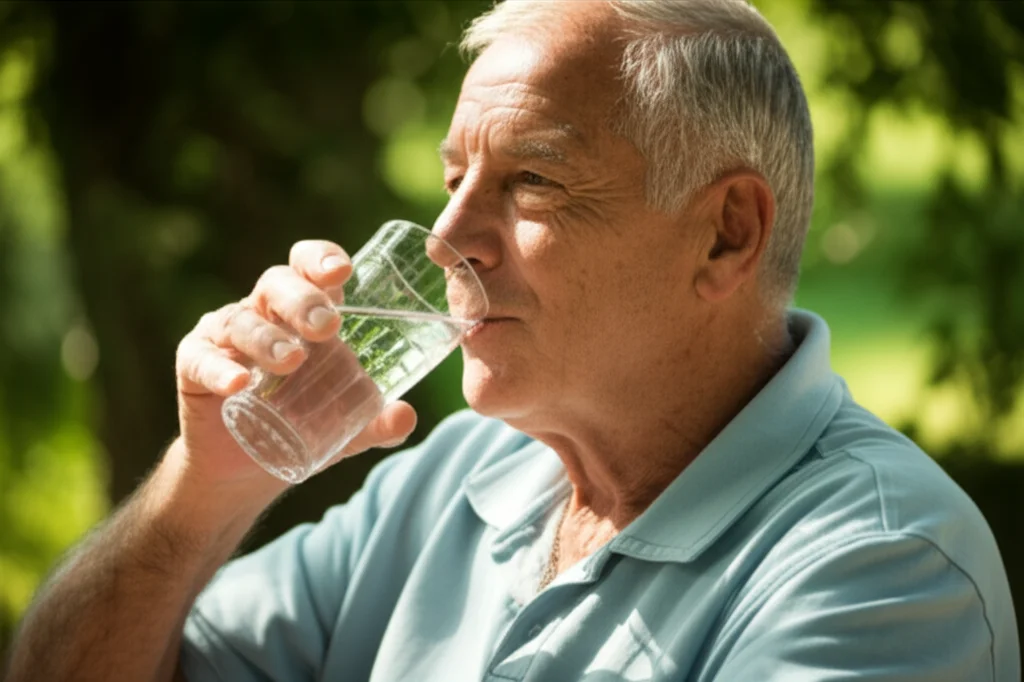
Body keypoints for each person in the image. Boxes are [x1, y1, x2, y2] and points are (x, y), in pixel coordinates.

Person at [7, 0, 1019, 680]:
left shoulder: (881, 566)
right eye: (455, 179)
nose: (446, 237)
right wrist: (204, 488)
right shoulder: (454, 476)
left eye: (531, 180)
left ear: (725, 234)